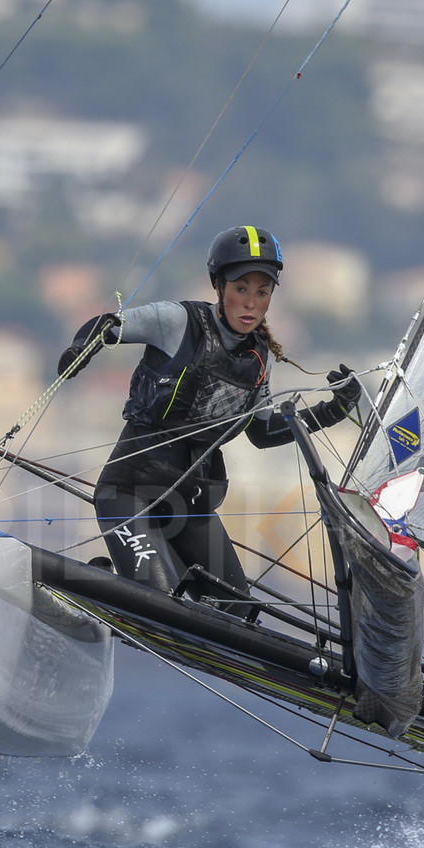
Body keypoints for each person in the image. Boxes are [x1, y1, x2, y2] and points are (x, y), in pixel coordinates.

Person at [56, 225, 361, 607]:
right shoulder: (177, 322)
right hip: (129, 494)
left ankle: (118, 583)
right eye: (241, 290)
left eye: (262, 293)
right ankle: (99, 586)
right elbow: (109, 326)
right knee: (164, 604)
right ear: (219, 286)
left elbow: (263, 432)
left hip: (191, 506)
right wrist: (80, 348)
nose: (250, 303)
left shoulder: (258, 358)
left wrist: (334, 409)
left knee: (241, 613)